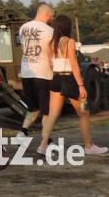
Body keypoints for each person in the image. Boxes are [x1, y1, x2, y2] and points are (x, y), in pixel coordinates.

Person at [39, 15, 108, 155]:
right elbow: (74, 64)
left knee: (52, 114)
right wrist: (81, 85)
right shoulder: (69, 41)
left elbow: (50, 63)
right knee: (84, 113)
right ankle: (89, 146)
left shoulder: (50, 43)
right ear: (67, 26)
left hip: (56, 79)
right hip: (69, 79)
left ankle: (43, 145)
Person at [18, 4, 54, 137]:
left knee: (33, 108)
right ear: (47, 15)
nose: (52, 18)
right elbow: (51, 54)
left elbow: (24, 48)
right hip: (43, 73)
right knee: (46, 111)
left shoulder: (23, 28)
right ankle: (46, 140)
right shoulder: (49, 31)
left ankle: (22, 132)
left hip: (27, 72)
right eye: (52, 16)